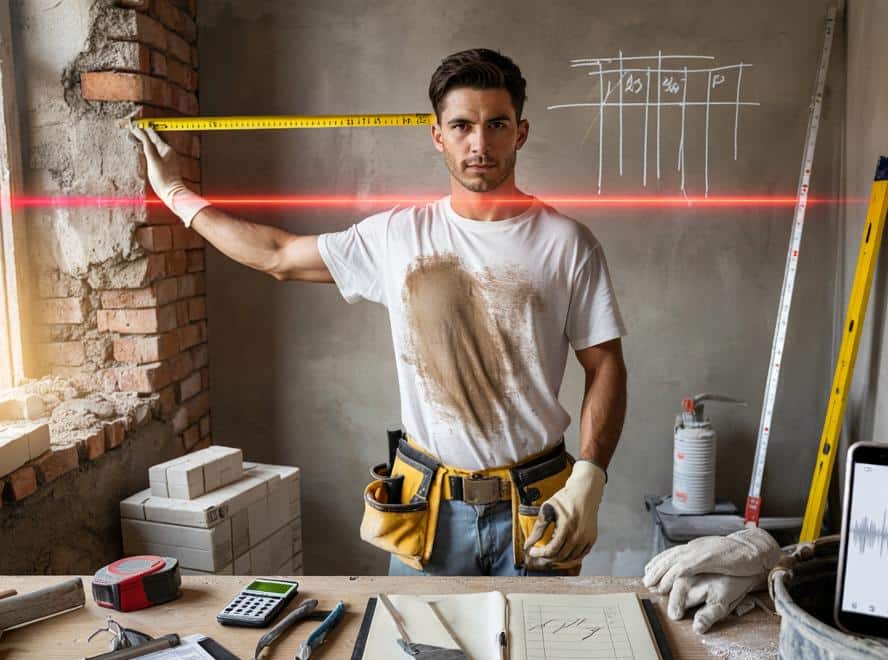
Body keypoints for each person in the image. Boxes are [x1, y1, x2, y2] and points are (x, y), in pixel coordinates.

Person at [132, 48, 627, 576]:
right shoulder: (397, 237)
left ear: (520, 132)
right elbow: (277, 255)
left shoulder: (568, 243)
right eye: (461, 126)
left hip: (537, 504)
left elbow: (606, 365)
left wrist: (591, 474)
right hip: (431, 508)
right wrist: (175, 193)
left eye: (496, 124)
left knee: (540, 655)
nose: (479, 143)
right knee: (425, 656)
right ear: (438, 136)